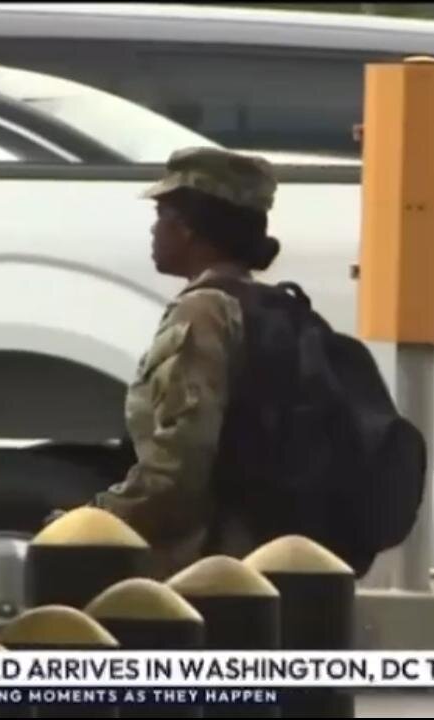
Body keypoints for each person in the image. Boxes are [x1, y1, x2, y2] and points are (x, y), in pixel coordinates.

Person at [83, 146, 282, 577]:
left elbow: (182, 460)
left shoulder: (203, 312)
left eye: (161, 216)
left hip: (206, 566)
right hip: (252, 557)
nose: (153, 230)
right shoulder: (263, 305)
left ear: (188, 229)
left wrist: (98, 519)